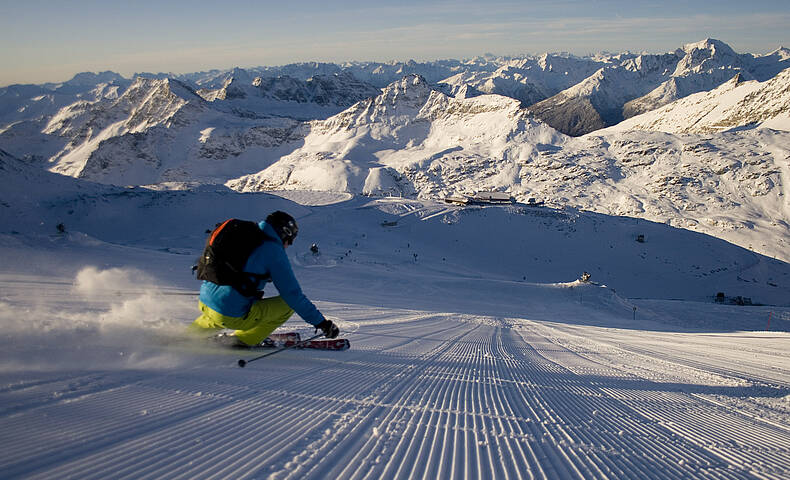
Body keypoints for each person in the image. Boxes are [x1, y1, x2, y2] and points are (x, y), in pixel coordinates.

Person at [191, 211, 339, 347]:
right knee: (287, 305)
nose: (289, 244)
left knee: (223, 308)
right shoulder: (273, 251)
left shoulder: (246, 235)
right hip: (229, 313)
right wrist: (322, 324)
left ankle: (185, 336)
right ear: (285, 234)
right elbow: (293, 295)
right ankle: (243, 340)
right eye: (290, 240)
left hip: (205, 302)